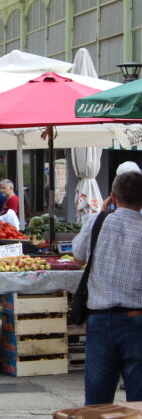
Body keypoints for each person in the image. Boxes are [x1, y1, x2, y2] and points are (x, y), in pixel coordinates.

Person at [72, 171, 142, 405]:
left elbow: (78, 257)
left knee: (97, 401)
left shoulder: (96, 221)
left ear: (112, 197)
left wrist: (102, 212)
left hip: (100, 319)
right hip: (137, 319)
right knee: (138, 401)